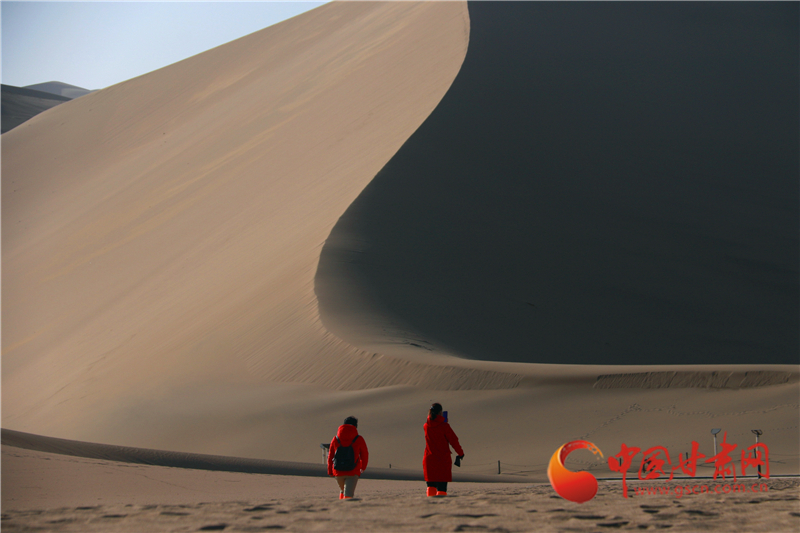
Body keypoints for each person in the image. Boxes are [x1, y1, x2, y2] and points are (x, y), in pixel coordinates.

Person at [423, 403, 464, 497]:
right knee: (441, 490)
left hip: (429, 460)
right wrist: (460, 453)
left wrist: (442, 421)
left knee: (431, 488)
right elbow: (454, 441)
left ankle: (429, 504)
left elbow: (433, 424)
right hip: (442, 461)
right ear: (440, 413)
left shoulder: (426, 426)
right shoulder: (444, 426)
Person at [327, 416, 369, 499]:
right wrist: (362, 467)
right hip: (353, 471)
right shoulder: (359, 439)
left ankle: (340, 505)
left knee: (343, 491)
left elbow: (330, 456)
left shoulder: (335, 439)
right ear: (355, 426)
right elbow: (364, 455)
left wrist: (330, 471)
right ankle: (345, 507)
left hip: (338, 471)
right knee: (348, 495)